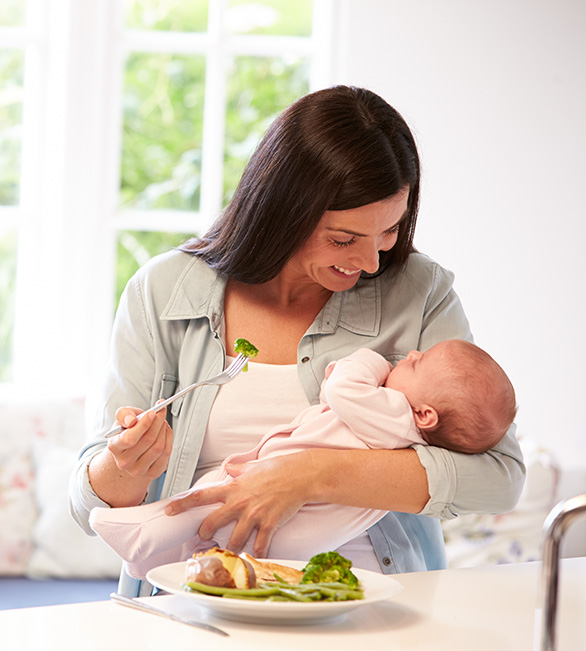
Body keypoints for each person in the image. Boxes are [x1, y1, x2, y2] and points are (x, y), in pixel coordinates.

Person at [69, 85, 525, 598]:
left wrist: (311, 474)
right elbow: (88, 507)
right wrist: (127, 466)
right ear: (281, 210)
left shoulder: (419, 292)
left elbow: (499, 476)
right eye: (344, 239)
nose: (372, 262)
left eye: (389, 232)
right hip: (196, 600)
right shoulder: (163, 291)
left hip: (371, 603)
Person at [89, 340, 517, 579]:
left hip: (281, 496)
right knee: (208, 537)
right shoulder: (413, 437)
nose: (406, 356)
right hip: (309, 536)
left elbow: (344, 389)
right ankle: (153, 560)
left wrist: (367, 359)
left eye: (416, 363)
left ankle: (138, 535)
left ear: (425, 414)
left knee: (203, 501)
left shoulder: (394, 412)